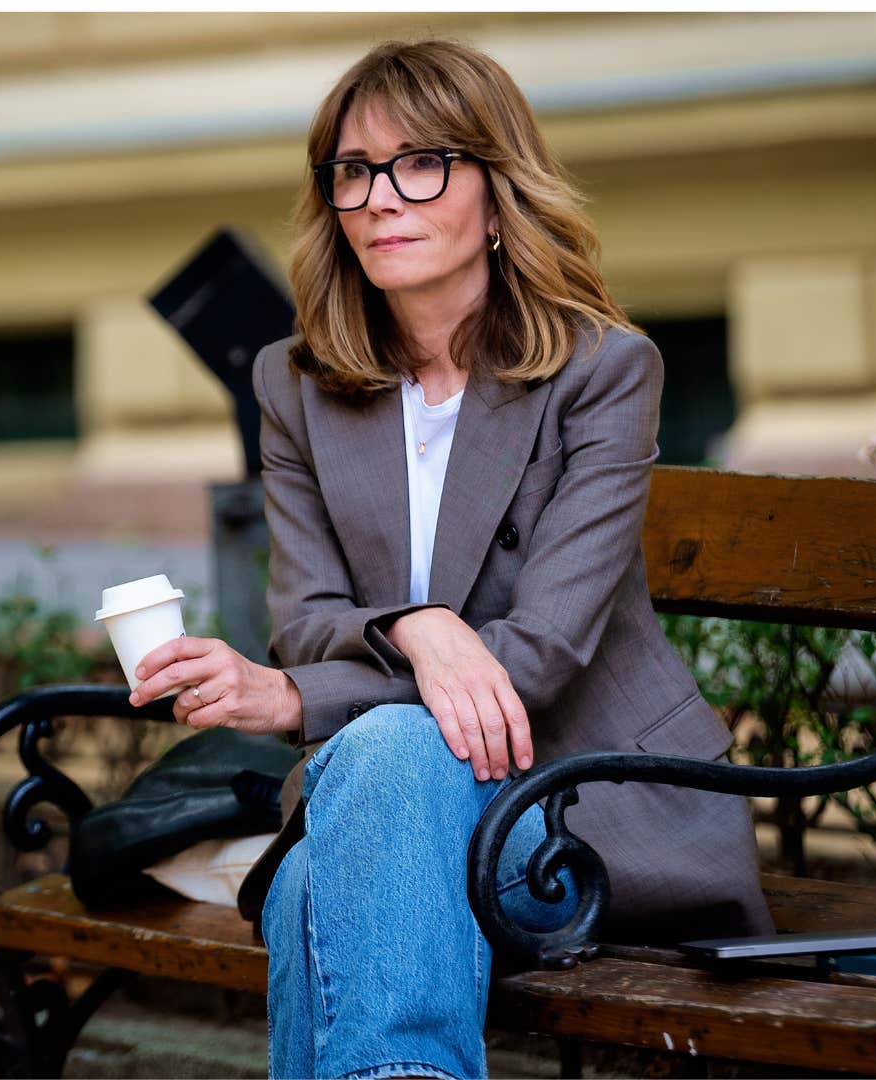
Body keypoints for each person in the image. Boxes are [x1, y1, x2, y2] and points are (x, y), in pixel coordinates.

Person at [126, 39, 771, 1080]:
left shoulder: (603, 372)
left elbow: (544, 651)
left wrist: (297, 698)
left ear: (496, 187)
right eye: (354, 170)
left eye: (420, 162)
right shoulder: (294, 386)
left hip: (582, 811)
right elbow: (311, 612)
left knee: (350, 812)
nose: (383, 197)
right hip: (403, 811)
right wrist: (409, 630)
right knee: (323, 861)